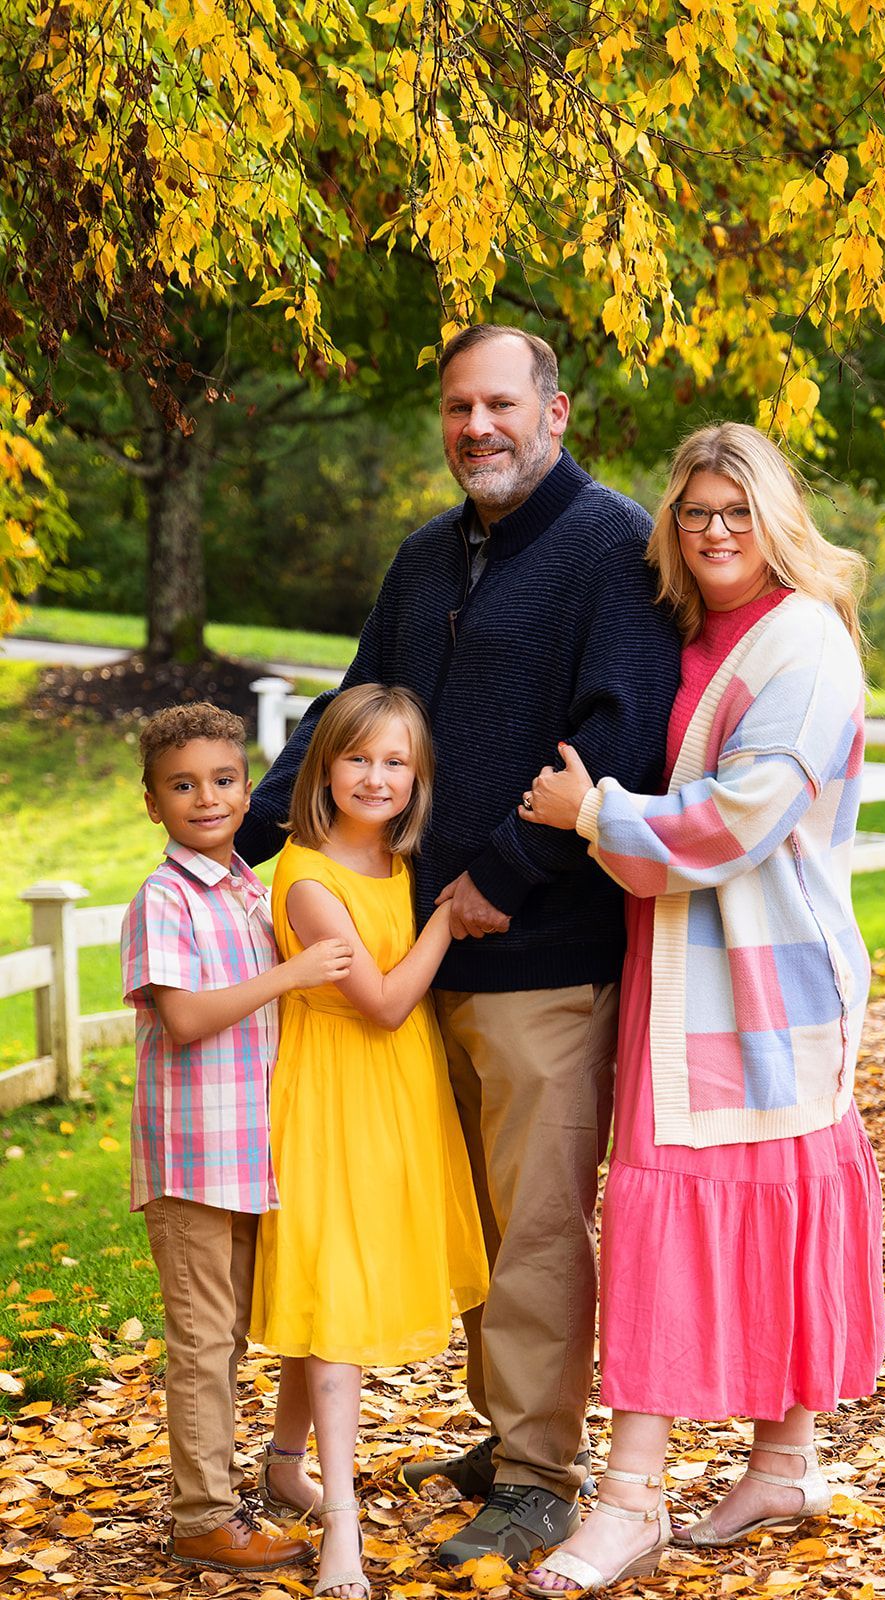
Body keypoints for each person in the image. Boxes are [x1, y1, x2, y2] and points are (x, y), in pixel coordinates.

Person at [236, 325, 680, 1566]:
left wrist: (500, 872)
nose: (474, 426)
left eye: (497, 404)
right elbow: (349, 713)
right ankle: (506, 1434)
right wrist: (249, 841)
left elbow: (619, 734)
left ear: (555, 409)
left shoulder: (611, 547)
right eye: (454, 407)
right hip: (407, 944)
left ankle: (540, 1471)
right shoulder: (426, 554)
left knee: (533, 1221)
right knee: (467, 1220)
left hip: (536, 948)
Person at [517, 422, 885, 1596]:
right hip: (696, 976)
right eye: (693, 512)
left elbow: (734, 822)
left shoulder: (805, 647)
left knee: (678, 1220)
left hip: (758, 987)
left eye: (736, 510)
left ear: (776, 519)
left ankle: (628, 1501)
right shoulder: (701, 633)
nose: (714, 531)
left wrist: (591, 814)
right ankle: (782, 1458)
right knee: (740, 1210)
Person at [247, 684, 489, 1599]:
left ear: (418, 775)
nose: (377, 776)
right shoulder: (309, 878)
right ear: (324, 768)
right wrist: (443, 921)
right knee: (336, 1296)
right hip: (334, 1096)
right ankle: (342, 1530)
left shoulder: (395, 854)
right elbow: (385, 1005)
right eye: (358, 759)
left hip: (397, 1097)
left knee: (327, 1293)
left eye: (396, 762)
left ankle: (281, 1460)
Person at [120, 703, 353, 1576]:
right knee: (203, 1342)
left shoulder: (252, 888)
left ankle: (257, 1478)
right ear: (152, 803)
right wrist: (286, 974)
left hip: (255, 1157)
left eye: (222, 781)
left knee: (241, 1332)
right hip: (192, 1163)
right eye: (182, 785)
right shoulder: (166, 897)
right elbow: (182, 1019)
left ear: (247, 789)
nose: (206, 798)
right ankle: (203, 1517)